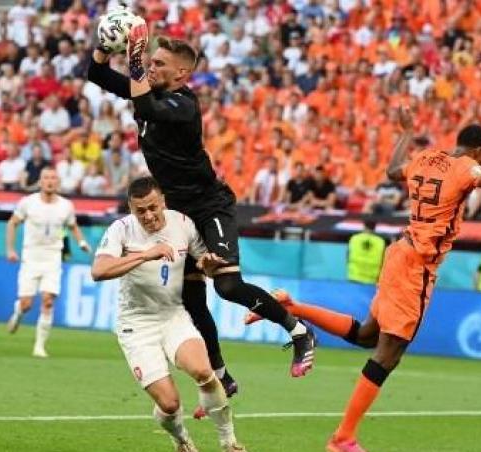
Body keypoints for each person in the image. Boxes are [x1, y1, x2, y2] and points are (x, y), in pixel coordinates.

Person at [246, 107, 481, 452]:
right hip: (417, 265)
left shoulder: (426, 158)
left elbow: (390, 171)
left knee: (370, 335)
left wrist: (406, 132)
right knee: (389, 354)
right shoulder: (467, 168)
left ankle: (293, 307)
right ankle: (343, 437)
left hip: (399, 252)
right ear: (479, 152)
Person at [86, 21, 315, 387]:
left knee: (227, 286)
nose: (151, 66)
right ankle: (222, 376)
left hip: (210, 207)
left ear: (181, 73)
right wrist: (104, 44)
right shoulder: (148, 91)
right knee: (191, 298)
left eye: (159, 63)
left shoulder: (184, 105)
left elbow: (147, 103)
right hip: (178, 212)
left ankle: (299, 331)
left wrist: (132, 59)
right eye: (151, 61)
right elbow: (95, 73)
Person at [91, 177, 257, 452]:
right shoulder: (121, 229)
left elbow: (202, 260)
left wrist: (206, 265)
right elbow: (99, 270)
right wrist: (144, 254)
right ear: (131, 209)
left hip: (173, 316)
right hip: (136, 325)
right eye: (140, 210)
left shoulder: (182, 223)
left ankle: (230, 444)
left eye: (153, 207)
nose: (149, 216)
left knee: (204, 372)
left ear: (163, 201)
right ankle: (182, 440)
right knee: (169, 404)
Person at [5, 168, 91, 357]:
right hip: (31, 257)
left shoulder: (66, 205)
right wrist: (10, 250)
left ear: (58, 182)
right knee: (27, 304)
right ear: (40, 182)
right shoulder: (28, 203)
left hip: (53, 258)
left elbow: (72, 226)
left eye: (53, 178)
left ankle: (39, 347)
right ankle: (19, 312)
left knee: (48, 301)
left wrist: (82, 243)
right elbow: (12, 223)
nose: (50, 181)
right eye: (46, 178)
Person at [347, 220, 386, 285]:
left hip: (354, 275)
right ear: (375, 228)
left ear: (364, 226)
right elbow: (383, 260)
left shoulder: (354, 238)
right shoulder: (381, 241)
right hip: (372, 278)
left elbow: (348, 255)